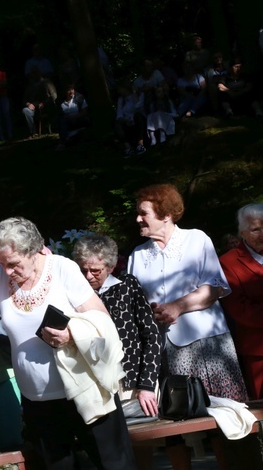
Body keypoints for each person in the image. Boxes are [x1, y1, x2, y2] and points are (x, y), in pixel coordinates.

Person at [0, 217, 137, 470]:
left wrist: (71, 335)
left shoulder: (62, 268)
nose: (7, 271)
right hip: (37, 401)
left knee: (114, 466)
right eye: (1, 262)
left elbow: (103, 321)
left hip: (85, 392)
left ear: (34, 251)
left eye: (13, 264)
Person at [127, 184, 247, 469]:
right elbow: (135, 304)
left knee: (223, 417)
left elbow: (216, 288)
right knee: (173, 423)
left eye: (144, 213)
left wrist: (177, 306)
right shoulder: (137, 255)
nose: (138, 219)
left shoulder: (196, 240)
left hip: (208, 345)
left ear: (165, 213)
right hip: (163, 350)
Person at [72, 235, 161, 416]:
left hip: (132, 382)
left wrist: (146, 385)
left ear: (111, 267)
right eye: (83, 270)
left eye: (95, 270)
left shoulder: (127, 286)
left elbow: (151, 335)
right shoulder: (74, 293)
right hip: (95, 386)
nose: (88, 276)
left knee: (146, 438)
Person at [220, 203, 263, 399]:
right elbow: (239, 308)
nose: (262, 234)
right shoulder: (228, 262)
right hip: (258, 349)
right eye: (256, 229)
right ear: (242, 233)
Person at [22, 66, 57, 140]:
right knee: (26, 111)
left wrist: (44, 103)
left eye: (36, 73)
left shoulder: (46, 82)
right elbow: (25, 99)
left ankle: (52, 128)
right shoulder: (30, 86)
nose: (34, 75)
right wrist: (28, 104)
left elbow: (54, 95)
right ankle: (33, 132)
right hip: (34, 107)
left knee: (52, 108)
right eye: (33, 73)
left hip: (46, 105)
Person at [56, 84, 89, 150]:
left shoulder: (79, 98)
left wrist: (74, 117)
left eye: (72, 89)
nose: (71, 92)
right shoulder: (60, 102)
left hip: (79, 119)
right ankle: (65, 141)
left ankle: (63, 142)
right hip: (67, 122)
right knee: (61, 121)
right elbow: (59, 114)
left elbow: (84, 112)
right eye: (69, 90)